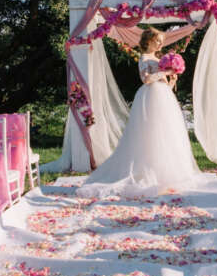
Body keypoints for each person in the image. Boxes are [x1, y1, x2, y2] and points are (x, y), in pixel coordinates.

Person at [76, 28, 205, 197]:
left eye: (160, 41)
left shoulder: (158, 59)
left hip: (163, 98)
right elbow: (146, 79)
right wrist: (165, 72)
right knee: (148, 133)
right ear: (148, 41)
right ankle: (145, 170)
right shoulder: (144, 58)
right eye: (157, 40)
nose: (160, 43)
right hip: (149, 98)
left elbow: (166, 86)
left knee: (164, 134)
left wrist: (172, 78)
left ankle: (163, 171)